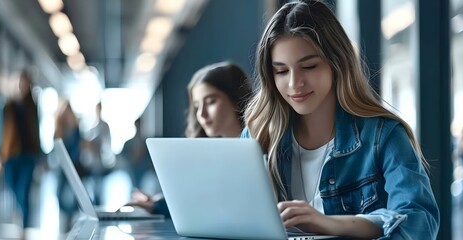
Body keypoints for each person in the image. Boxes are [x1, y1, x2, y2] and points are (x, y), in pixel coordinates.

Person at [240, 1, 439, 239]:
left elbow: (420, 223)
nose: (294, 84)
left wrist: (331, 224)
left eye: (309, 66)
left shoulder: (383, 136)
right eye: (281, 71)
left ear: (337, 63)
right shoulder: (257, 135)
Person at [128, 61, 253, 216]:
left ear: (236, 99)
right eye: (196, 106)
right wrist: (156, 204)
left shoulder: (260, 146)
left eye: (211, 101)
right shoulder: (209, 155)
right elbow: (203, 200)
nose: (201, 114)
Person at [0, 70, 42, 229]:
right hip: (10, 155)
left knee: (24, 192)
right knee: (13, 189)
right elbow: (0, 131)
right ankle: (21, 214)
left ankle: (25, 227)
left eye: (24, 82)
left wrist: (40, 157)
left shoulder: (33, 107)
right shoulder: (7, 106)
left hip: (28, 156)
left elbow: (37, 131)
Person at [53, 100, 84, 231]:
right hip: (61, 167)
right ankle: (64, 218)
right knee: (59, 192)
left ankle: (73, 218)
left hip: (74, 166)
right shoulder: (59, 129)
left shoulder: (75, 130)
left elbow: (78, 149)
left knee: (73, 193)